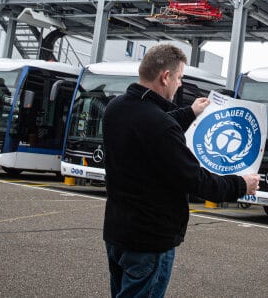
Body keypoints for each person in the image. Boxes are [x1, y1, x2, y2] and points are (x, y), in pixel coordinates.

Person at [103, 44, 259, 298]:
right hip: (149, 241)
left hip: (117, 233)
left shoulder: (115, 108)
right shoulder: (159, 125)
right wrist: (241, 185)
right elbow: (196, 180)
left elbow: (150, 127)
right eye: (179, 78)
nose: (179, 84)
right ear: (165, 77)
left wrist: (191, 112)